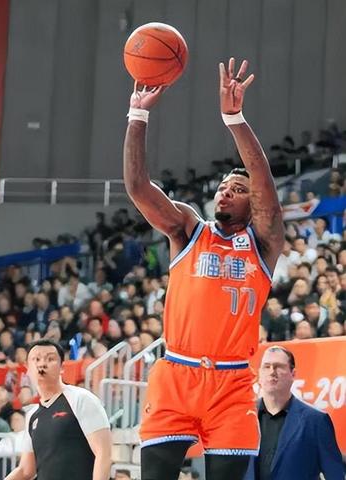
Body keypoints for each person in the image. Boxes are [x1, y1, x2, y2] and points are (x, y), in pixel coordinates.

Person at [123, 58, 284, 480]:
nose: (225, 192)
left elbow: (263, 180)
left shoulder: (264, 243)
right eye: (223, 187)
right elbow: (138, 188)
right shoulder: (188, 229)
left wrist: (234, 119)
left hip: (231, 384)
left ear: (253, 203)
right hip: (177, 374)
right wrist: (137, 116)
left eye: (238, 189)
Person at [5, 339, 112, 480]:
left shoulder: (81, 399)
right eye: (36, 359)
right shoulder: (32, 415)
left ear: (62, 367)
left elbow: (103, 453)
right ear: (27, 369)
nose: (42, 364)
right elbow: (25, 470)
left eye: (50, 359)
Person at [244, 346, 344, 480]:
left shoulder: (315, 421)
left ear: (293, 374)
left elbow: (335, 474)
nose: (272, 372)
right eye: (266, 367)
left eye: (279, 367)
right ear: (259, 373)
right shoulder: (243, 417)